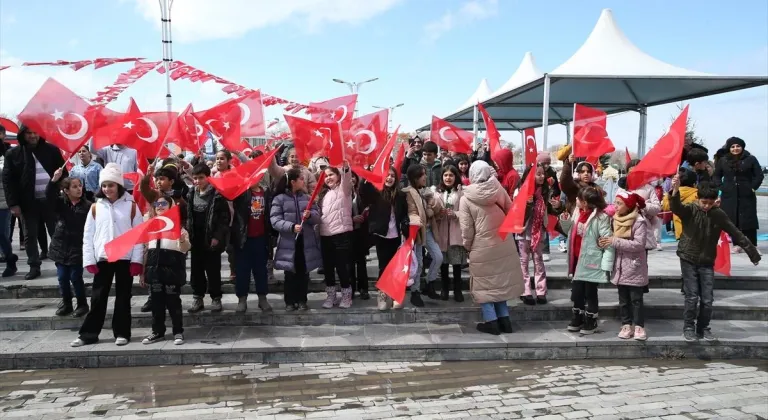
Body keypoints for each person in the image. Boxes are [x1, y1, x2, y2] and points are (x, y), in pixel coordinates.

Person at [669, 178, 761, 342]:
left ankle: (703, 328)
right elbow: (676, 208)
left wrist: (752, 253)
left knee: (708, 299)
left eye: (710, 203)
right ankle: (688, 327)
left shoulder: (718, 214)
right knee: (692, 296)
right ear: (698, 198)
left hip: (707, 261)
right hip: (688, 258)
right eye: (704, 202)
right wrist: (674, 190)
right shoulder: (690, 209)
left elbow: (736, 233)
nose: (706, 206)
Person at [71, 163, 144, 347]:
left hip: (125, 258)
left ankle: (122, 332)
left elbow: (138, 235)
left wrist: (137, 260)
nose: (107, 189)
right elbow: (88, 235)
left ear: (118, 186)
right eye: (104, 185)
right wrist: (89, 259)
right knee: (97, 297)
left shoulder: (131, 206)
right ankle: (88, 334)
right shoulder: (96, 207)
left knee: (123, 297)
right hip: (103, 258)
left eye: (111, 185)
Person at [458, 161, 523, 335]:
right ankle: (505, 321)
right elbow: (511, 210)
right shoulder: (499, 189)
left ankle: (492, 322)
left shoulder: (466, 198)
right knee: (499, 284)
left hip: (481, 245)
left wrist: (468, 246)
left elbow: (467, 229)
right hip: (503, 242)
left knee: (485, 285)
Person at [2, 125, 66, 280]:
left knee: (57, 233)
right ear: (23, 135)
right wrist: (13, 204)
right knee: (30, 236)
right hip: (27, 204)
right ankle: (34, 266)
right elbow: (8, 181)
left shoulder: (51, 150)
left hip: (51, 201)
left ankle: (63, 265)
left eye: (35, 132)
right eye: (28, 133)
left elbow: (64, 174)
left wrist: (63, 188)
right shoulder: (13, 154)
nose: (32, 136)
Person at [140, 196, 190, 346]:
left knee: (174, 303)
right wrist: (142, 272)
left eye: (164, 204)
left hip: (172, 272)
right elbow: (145, 251)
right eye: (157, 204)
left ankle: (178, 331)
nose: (160, 206)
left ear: (171, 206)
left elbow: (185, 248)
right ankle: (157, 332)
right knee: (156, 304)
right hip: (154, 272)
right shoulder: (150, 228)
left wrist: (181, 239)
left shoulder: (178, 228)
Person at [138, 162, 187, 313]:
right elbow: (143, 188)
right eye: (157, 179)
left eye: (163, 179)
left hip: (171, 241)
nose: (159, 182)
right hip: (153, 239)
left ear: (171, 181)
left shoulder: (180, 200)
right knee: (153, 270)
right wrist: (148, 175)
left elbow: (184, 219)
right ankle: (152, 298)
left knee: (171, 272)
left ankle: (172, 297)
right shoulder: (155, 195)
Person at [271, 168, 322, 310]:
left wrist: (310, 215)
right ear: (293, 182)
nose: (303, 181)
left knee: (303, 272)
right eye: (300, 178)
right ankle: (289, 301)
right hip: (288, 243)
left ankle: (302, 300)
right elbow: (275, 220)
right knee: (290, 273)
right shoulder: (279, 199)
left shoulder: (306, 198)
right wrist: (291, 227)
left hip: (305, 242)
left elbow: (318, 217)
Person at [566, 187, 615, 335]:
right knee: (577, 291)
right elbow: (569, 232)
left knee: (590, 291)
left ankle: (591, 319)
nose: (576, 201)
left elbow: (608, 242)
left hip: (591, 261)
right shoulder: (576, 213)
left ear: (585, 203)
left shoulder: (601, 218)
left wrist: (606, 265)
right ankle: (577, 316)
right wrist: (564, 221)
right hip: (576, 259)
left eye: (579, 199)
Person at [601, 191, 649, 341]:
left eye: (619, 203)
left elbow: (639, 245)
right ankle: (626, 324)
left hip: (634, 266)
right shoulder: (614, 220)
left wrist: (614, 241)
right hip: (620, 266)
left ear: (628, 206)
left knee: (636, 299)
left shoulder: (639, 221)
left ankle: (639, 326)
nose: (615, 206)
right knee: (623, 300)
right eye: (615, 203)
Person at [360, 166, 409, 311]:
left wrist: (405, 224)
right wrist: (368, 175)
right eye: (387, 175)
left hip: (396, 235)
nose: (389, 178)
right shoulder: (376, 192)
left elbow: (404, 213)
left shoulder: (400, 195)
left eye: (392, 176)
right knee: (383, 266)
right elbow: (363, 191)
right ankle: (382, 294)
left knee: (395, 268)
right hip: (381, 235)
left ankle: (395, 295)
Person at [186, 163, 231, 313]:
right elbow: (188, 216)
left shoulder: (217, 195)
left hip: (211, 240)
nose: (198, 181)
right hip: (195, 240)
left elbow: (224, 219)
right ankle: (197, 297)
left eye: (201, 178)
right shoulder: (191, 194)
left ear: (208, 178)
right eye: (195, 178)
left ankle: (216, 298)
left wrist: (217, 237)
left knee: (213, 271)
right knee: (196, 271)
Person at [46, 169, 91, 317]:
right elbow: (49, 197)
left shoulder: (88, 206)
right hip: (60, 246)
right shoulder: (61, 204)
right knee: (62, 277)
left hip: (77, 246)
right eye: (74, 187)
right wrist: (54, 181)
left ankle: (82, 304)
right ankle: (67, 303)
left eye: (80, 186)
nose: (78, 189)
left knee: (75, 277)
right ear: (66, 190)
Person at [517, 164, 561, 305]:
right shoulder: (520, 192)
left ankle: (541, 291)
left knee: (538, 261)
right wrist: (528, 204)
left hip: (538, 232)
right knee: (523, 262)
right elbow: (518, 216)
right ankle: (525, 291)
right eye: (538, 174)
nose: (541, 176)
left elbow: (549, 212)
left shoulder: (545, 192)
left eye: (543, 173)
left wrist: (558, 207)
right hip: (524, 231)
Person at [712, 136, 764, 251]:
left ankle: (752, 245)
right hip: (729, 194)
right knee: (732, 219)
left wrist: (752, 188)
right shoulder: (723, 160)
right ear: (729, 148)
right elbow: (716, 176)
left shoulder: (751, 159)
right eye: (732, 146)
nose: (735, 148)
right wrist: (721, 187)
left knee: (748, 219)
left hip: (746, 194)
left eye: (738, 146)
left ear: (742, 147)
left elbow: (759, 175)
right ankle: (736, 244)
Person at [403, 164, 443, 307]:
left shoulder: (426, 191)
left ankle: (429, 283)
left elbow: (436, 207)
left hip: (428, 230)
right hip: (417, 232)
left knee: (438, 256)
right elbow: (411, 212)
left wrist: (432, 205)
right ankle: (415, 291)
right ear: (415, 178)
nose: (425, 177)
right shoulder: (408, 192)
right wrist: (418, 218)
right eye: (422, 175)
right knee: (418, 263)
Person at [232, 178, 273, 313]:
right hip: (243, 239)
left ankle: (262, 298)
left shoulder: (266, 193)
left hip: (261, 239)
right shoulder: (241, 193)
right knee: (242, 271)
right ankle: (242, 299)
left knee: (261, 270)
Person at [317, 166, 355, 309]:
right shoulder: (324, 193)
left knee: (342, 267)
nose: (328, 178)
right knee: (328, 268)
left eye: (331, 174)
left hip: (341, 234)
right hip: (325, 235)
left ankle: (346, 296)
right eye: (325, 176)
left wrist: (345, 169)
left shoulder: (344, 190)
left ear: (338, 175)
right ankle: (331, 296)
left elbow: (347, 180)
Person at [433, 165, 466, 302]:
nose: (448, 178)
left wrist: (456, 214)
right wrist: (438, 214)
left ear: (455, 177)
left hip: (455, 233)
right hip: (441, 233)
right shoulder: (436, 192)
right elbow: (432, 212)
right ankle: (444, 289)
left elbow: (466, 212)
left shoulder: (461, 192)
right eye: (445, 175)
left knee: (457, 264)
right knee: (444, 264)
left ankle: (457, 290)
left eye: (451, 175)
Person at [617, 159, 663, 252]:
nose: (634, 174)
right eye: (631, 172)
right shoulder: (621, 189)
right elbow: (615, 208)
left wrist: (644, 205)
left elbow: (657, 208)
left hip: (642, 230)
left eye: (637, 172)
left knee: (641, 263)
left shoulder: (649, 189)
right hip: (624, 228)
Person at [348, 172, 370, 300]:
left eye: (353, 177)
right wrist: (352, 219)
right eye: (349, 177)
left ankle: (364, 289)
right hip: (348, 231)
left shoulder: (361, 192)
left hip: (361, 231)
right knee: (349, 263)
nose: (351, 179)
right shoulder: (343, 194)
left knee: (361, 262)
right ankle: (350, 288)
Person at [536, 152, 561, 262]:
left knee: (544, 225)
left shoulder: (552, 172)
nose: (546, 166)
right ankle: (535, 249)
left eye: (548, 163)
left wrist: (552, 187)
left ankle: (545, 251)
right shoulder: (534, 170)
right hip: (536, 201)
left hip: (547, 202)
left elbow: (557, 189)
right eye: (543, 163)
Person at [0, 130, 17, 277]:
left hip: (3, 200)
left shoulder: (8, 152)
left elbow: (7, 174)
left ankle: (10, 261)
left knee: (2, 233)